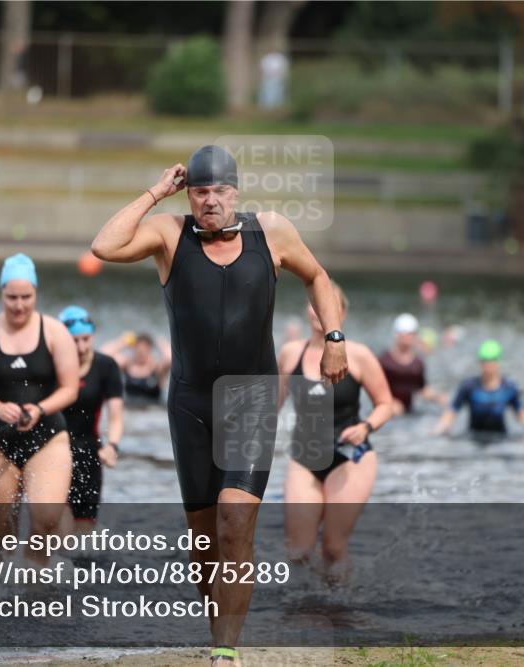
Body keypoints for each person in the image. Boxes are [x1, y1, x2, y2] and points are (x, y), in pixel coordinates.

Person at [91, 144, 348, 665]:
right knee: (206, 547)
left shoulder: (271, 232)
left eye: (218, 191)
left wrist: (335, 337)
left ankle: (225, 651)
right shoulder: (169, 233)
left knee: (236, 522)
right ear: (190, 195)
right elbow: (104, 246)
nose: (209, 201)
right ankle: (219, 631)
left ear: (236, 191)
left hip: (250, 399)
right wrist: (156, 193)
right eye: (200, 192)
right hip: (188, 404)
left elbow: (317, 277)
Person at [0, 253, 79, 568]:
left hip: (48, 435)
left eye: (26, 297)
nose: (19, 305)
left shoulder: (54, 332)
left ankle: (34, 586)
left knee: (47, 517)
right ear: (1, 294)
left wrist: (39, 408)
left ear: (36, 294)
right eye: (12, 297)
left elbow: (70, 388)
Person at [277, 283, 393, 579]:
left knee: (333, 548)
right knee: (299, 552)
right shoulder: (291, 353)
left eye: (328, 305)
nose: (319, 311)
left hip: (350, 457)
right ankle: (304, 610)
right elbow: (270, 406)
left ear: (341, 314)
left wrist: (365, 427)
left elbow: (385, 404)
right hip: (305, 458)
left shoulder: (359, 355)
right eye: (315, 303)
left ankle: (340, 610)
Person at [56, 305, 124, 532]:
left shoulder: (106, 367)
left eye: (86, 339)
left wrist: (112, 446)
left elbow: (115, 416)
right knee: (60, 529)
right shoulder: (50, 365)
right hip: (54, 455)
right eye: (74, 341)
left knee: (84, 537)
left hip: (90, 456)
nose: (81, 347)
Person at [433, 339, 524, 439]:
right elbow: (451, 412)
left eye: (491, 360)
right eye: (484, 361)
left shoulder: (508, 388)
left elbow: (522, 415)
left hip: (501, 439)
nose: (488, 365)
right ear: (480, 362)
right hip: (474, 438)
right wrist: (437, 430)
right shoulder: (469, 386)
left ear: (498, 362)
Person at [378, 313, 447, 415]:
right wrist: (389, 403)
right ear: (397, 335)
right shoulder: (385, 360)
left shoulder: (417, 363)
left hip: (408, 412)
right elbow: (375, 388)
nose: (408, 338)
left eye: (411, 334)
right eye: (406, 334)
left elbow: (422, 388)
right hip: (388, 411)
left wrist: (437, 398)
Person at [100, 331, 171, 406]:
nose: (141, 354)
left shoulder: (157, 368)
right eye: (139, 350)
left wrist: (161, 344)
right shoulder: (127, 365)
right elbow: (103, 356)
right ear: (134, 349)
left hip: (152, 411)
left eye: (144, 350)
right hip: (131, 410)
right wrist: (122, 342)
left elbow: (170, 359)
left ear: (150, 350)